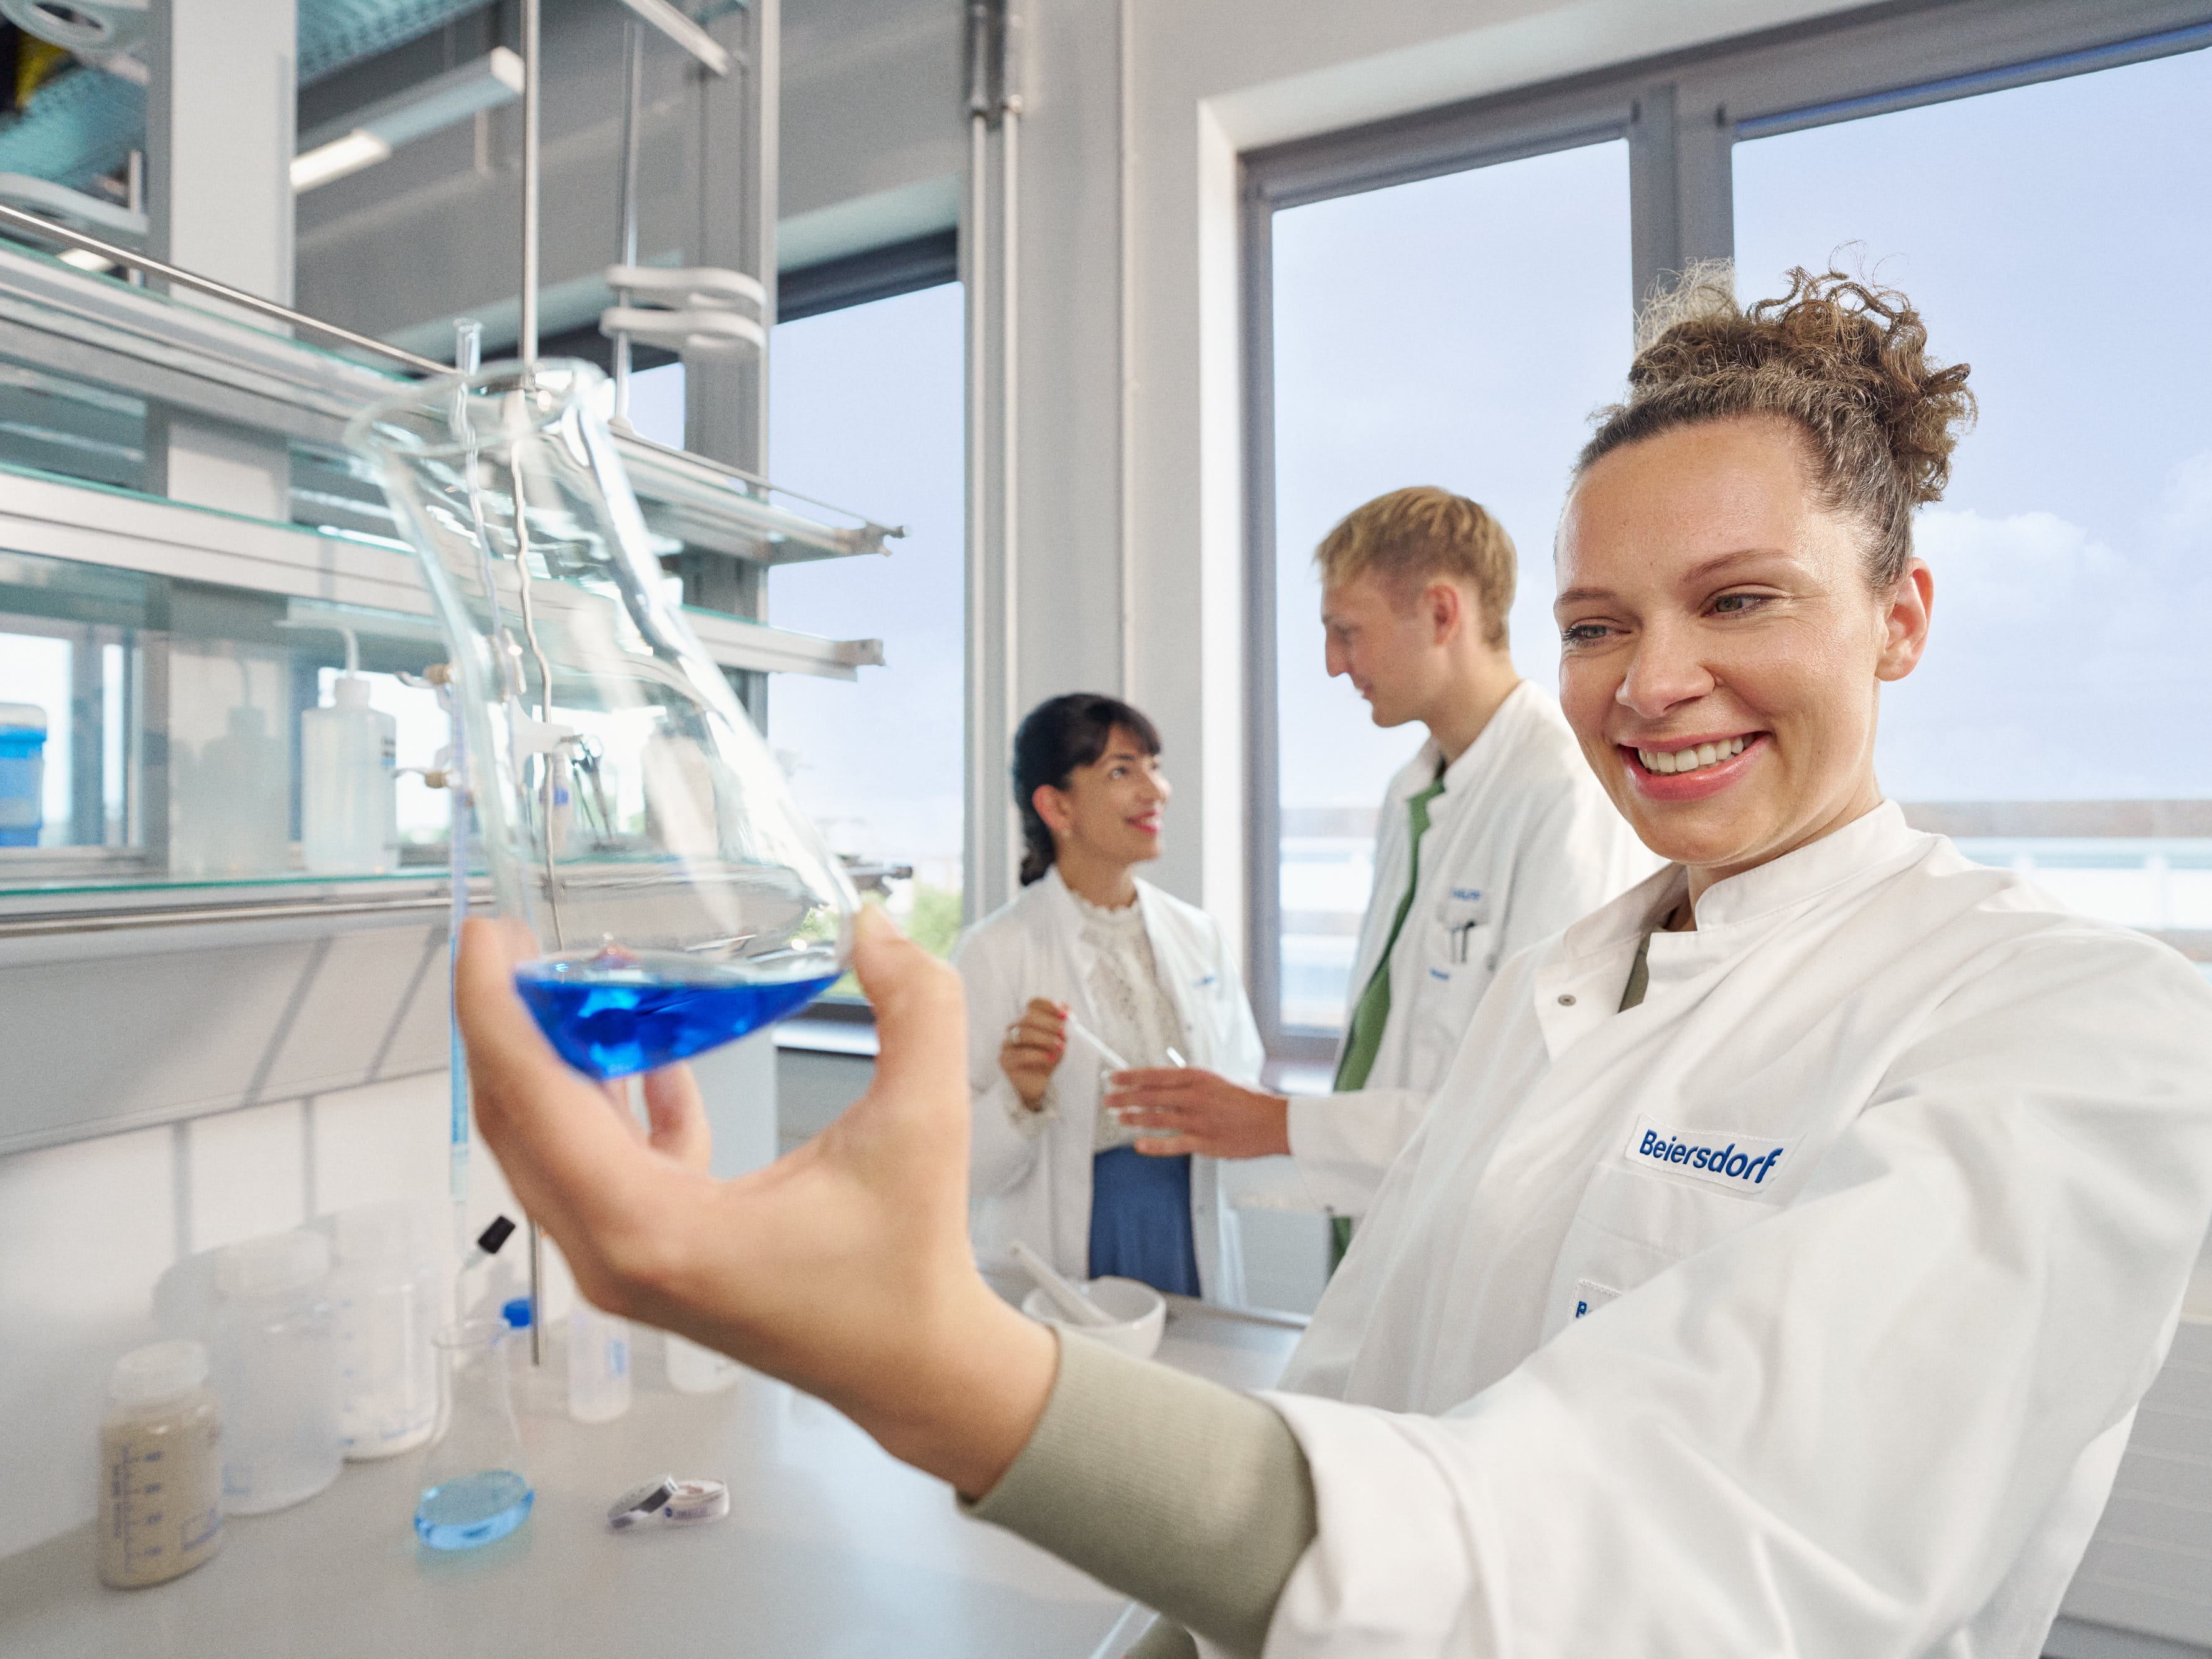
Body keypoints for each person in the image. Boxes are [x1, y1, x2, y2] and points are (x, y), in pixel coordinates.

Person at [456, 267, 2212, 1659]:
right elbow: (1365, 1386)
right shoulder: (1573, 989)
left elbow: (1655, 1560)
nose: (1648, 679)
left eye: (1739, 599)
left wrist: (937, 1370)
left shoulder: (2078, 1031)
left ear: (1900, 617)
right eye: (1599, 625)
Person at [1107, 488, 1654, 1235]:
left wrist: (1279, 1124)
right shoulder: (1413, 791)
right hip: (1383, 1212)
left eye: (1346, 632)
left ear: (1439, 612)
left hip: (1470, 1236)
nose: (1334, 664)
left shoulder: (1564, 792)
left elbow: (1530, 1098)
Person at [954, 692, 1271, 1302]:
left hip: (1183, 1225)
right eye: (1122, 771)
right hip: (1068, 1240)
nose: (1155, 790)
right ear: (1056, 805)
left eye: (1153, 765)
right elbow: (961, 1168)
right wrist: (1018, 1095)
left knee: (1192, 1388)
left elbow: (1242, 1081)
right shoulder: (994, 951)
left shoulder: (1197, 936)